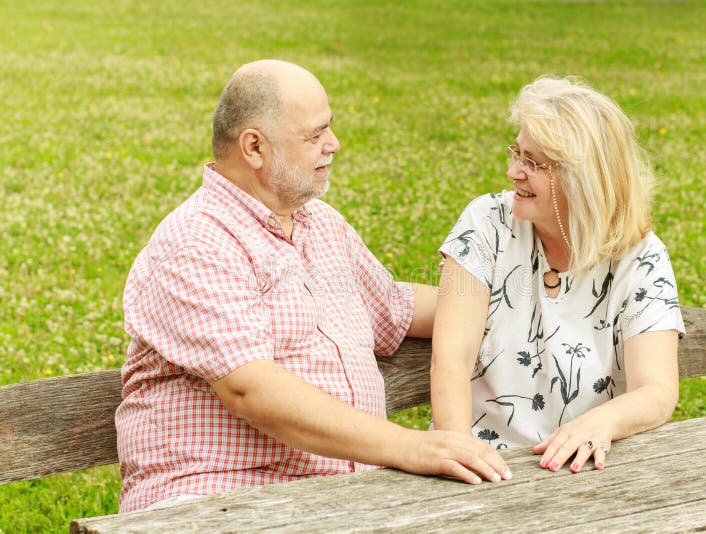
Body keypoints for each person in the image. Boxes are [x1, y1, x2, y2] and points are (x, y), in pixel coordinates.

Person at [116, 59, 510, 513]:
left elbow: (397, 308)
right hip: (218, 496)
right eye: (314, 135)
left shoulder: (320, 224)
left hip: (336, 500)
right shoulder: (196, 241)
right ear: (254, 148)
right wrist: (411, 446)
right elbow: (251, 388)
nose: (334, 145)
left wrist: (535, 299)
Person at [430, 76, 685, 475]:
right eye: (516, 152)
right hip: (483, 465)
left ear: (583, 180)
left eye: (533, 163)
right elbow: (451, 360)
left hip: (580, 469)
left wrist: (598, 423)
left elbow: (657, 391)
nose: (513, 171)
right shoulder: (486, 224)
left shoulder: (640, 257)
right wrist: (461, 457)